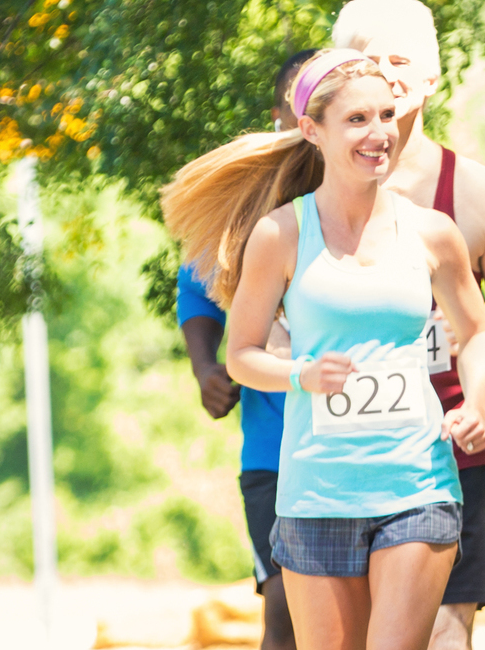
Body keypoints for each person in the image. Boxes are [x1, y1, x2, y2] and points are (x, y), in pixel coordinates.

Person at [160, 49, 485, 650]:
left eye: (386, 115)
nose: (380, 134)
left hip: (417, 485)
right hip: (317, 492)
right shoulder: (279, 235)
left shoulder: (432, 232)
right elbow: (240, 355)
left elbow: (476, 332)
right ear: (312, 130)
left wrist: (476, 403)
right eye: (358, 120)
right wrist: (301, 374)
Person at [330, 5, 485, 646]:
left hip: (446, 459)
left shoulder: (475, 192)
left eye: (401, 61)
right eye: (371, 63)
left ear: (430, 78)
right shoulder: (302, 188)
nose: (387, 77)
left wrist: (484, 331)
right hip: (338, 461)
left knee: (446, 638)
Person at [174, 47, 314, 650]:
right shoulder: (246, 211)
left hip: (360, 447)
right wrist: (207, 367)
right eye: (295, 105)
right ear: (280, 115)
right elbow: (198, 292)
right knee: (284, 604)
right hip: (274, 452)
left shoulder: (373, 206)